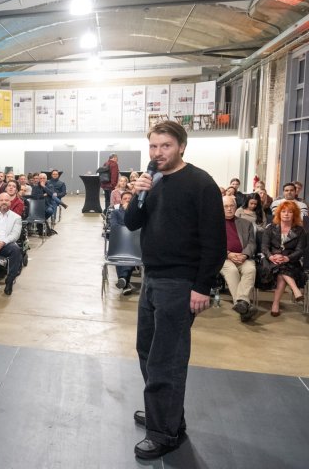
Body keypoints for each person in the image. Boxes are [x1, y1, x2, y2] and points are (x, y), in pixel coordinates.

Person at [124, 121, 225, 460]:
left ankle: (164, 433)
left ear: (181, 145)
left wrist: (202, 286)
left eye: (165, 146)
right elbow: (131, 223)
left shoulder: (201, 183)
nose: (157, 153)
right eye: (153, 147)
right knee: (146, 352)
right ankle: (165, 415)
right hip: (152, 278)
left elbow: (215, 242)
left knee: (166, 360)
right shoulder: (151, 181)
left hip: (181, 284)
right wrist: (140, 194)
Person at [261, 200, 306, 316]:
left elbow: (300, 250)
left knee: (282, 271)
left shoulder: (300, 231)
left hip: (291, 261)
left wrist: (287, 258)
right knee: (281, 267)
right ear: (279, 213)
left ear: (294, 215)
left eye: (290, 212)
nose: (286, 214)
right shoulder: (270, 228)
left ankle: (275, 304)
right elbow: (264, 247)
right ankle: (295, 290)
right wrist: (271, 257)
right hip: (271, 260)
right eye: (283, 211)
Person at [222, 196, 258, 322]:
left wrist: (244, 255)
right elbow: (212, 244)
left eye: (231, 206)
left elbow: (252, 243)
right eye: (226, 206)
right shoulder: (214, 224)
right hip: (224, 258)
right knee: (231, 271)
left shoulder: (245, 223)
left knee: (250, 269)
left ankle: (241, 303)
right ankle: (244, 306)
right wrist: (228, 254)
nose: (229, 209)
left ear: (236, 207)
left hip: (243, 257)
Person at [109, 191, 137, 296]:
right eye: (125, 199)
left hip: (134, 243)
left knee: (129, 254)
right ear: (121, 201)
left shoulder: (137, 213)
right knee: (120, 255)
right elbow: (114, 226)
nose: (127, 201)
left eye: (130, 199)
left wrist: (129, 212)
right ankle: (124, 281)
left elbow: (138, 226)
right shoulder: (115, 213)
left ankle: (123, 280)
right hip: (120, 242)